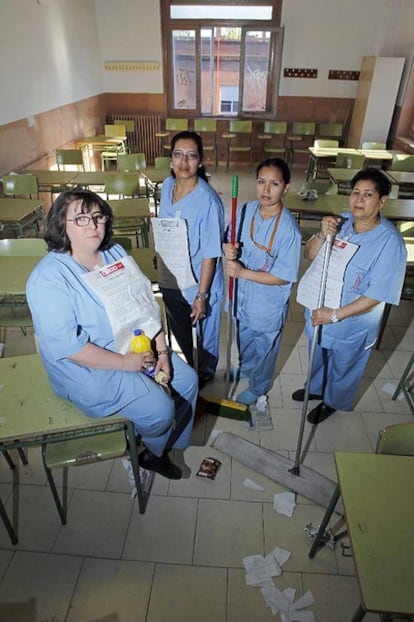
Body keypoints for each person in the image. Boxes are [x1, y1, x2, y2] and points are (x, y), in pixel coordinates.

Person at [26, 188, 198, 480]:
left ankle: (159, 448)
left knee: (189, 381)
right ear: (60, 225)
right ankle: (148, 448)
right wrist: (126, 364)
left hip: (135, 345)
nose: (93, 225)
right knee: (160, 410)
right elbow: (69, 347)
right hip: (87, 366)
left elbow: (145, 305)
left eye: (97, 216)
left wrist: (164, 352)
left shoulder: (114, 252)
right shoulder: (48, 279)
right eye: (80, 218)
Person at [293, 167, 407, 424]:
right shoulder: (340, 222)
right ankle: (316, 388)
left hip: (352, 322)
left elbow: (377, 295)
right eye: (356, 192)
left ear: (382, 201)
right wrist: (322, 233)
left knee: (344, 366)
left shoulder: (390, 244)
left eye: (368, 194)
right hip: (321, 313)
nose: (359, 199)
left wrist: (334, 315)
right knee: (319, 353)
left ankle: (332, 401)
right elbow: (309, 255)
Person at [223, 157, 302, 407]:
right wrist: (228, 250)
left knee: (264, 346)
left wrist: (243, 272)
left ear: (286, 187)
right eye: (261, 182)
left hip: (266, 303)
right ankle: (247, 369)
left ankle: (259, 386)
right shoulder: (245, 210)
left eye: (274, 184)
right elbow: (228, 238)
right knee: (244, 337)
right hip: (242, 296)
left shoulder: (289, 230)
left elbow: (282, 275)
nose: (266, 190)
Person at [157, 130, 225, 387]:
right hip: (172, 276)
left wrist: (202, 295)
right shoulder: (166, 187)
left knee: (204, 340)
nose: (183, 163)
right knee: (183, 333)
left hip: (198, 281)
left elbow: (210, 253)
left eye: (191, 156)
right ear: (171, 158)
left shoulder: (207, 201)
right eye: (178, 155)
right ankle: (190, 372)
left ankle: (204, 377)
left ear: (200, 160)